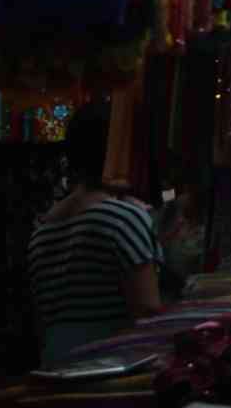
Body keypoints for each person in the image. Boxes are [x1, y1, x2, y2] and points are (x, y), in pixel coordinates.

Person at [27, 102, 163, 363]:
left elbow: (43, 321)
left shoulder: (43, 229)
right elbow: (148, 313)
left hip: (56, 369)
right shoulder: (124, 218)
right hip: (110, 371)